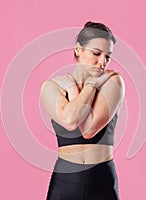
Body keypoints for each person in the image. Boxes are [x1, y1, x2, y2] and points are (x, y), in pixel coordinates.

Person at [40, 21, 125, 200]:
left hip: (102, 178)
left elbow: (88, 129)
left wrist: (89, 85)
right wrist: (79, 87)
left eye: (108, 56)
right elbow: (70, 120)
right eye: (96, 53)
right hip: (65, 181)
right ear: (78, 49)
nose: (102, 62)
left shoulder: (113, 82)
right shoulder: (51, 87)